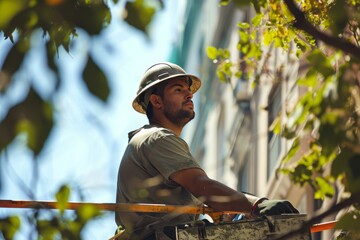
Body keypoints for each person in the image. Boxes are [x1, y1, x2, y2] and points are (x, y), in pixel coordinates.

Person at [115, 62, 299, 239]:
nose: (189, 95)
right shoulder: (157, 138)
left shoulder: (151, 141)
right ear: (156, 101)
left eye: (188, 90)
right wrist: (257, 205)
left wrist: (225, 213)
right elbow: (201, 185)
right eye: (178, 89)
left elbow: (198, 193)